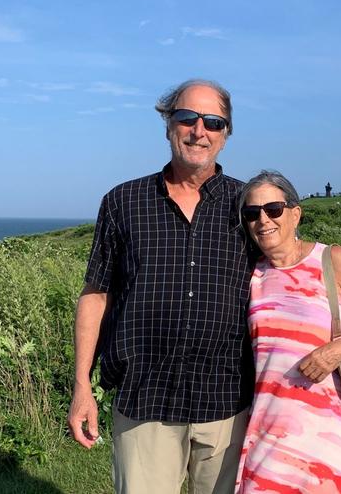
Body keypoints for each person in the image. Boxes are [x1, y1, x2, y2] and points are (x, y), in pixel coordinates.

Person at [67, 79, 255, 494]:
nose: (199, 130)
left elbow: (283, 278)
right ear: (168, 124)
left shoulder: (248, 206)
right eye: (187, 118)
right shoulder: (123, 202)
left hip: (227, 401)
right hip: (144, 398)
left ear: (226, 135)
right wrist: (83, 385)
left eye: (213, 122)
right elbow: (96, 295)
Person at [234, 171, 341, 493]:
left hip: (327, 428)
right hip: (266, 426)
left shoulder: (331, 259)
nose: (263, 220)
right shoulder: (252, 272)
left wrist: (338, 350)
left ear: (295, 213)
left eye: (273, 209)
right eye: (252, 213)